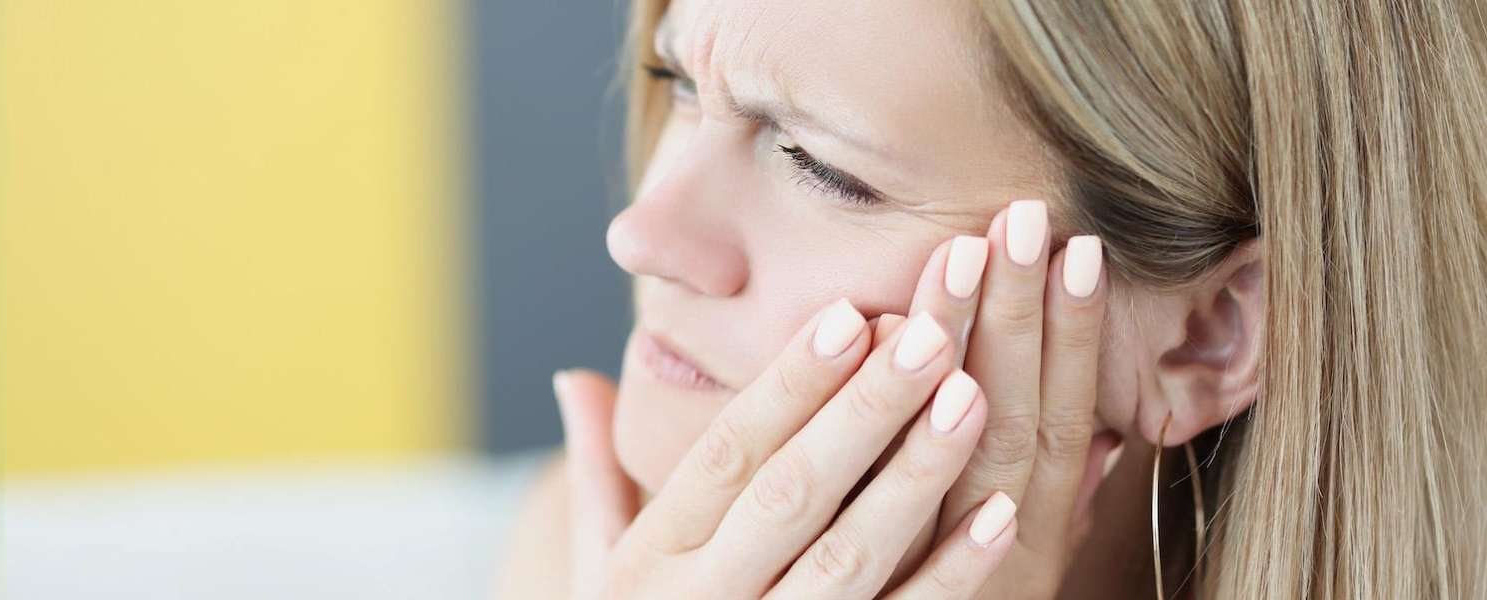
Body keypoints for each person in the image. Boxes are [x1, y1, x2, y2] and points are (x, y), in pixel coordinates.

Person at [498, 1, 1487, 598]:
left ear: (1208, 337)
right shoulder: (605, 550)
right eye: (676, 77)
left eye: (820, 167)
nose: (642, 233)